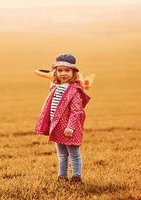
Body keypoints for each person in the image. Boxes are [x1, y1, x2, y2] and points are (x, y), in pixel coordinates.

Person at [35, 53, 91, 184]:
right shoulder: (55, 87)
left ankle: (76, 177)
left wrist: (70, 127)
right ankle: (62, 177)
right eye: (59, 70)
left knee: (74, 155)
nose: (63, 73)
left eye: (67, 70)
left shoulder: (75, 90)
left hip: (69, 128)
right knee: (61, 155)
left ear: (74, 73)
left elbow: (76, 111)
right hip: (57, 127)